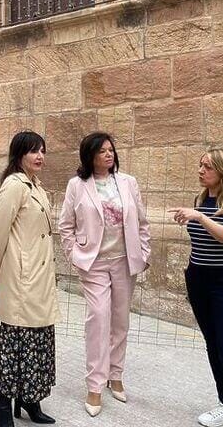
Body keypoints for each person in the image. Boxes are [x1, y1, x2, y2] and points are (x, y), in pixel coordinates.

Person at [58, 132, 151, 417]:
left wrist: (144, 252)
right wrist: (74, 255)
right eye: (102, 151)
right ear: (90, 156)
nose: (108, 155)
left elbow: (142, 221)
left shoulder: (128, 182)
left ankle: (116, 375)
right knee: (99, 319)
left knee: (120, 321)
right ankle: (95, 386)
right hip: (94, 262)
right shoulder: (77, 185)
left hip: (125, 261)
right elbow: (65, 225)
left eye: (111, 150)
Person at [168, 149, 223, 427]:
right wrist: (194, 215)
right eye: (200, 165)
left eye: (207, 167)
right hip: (199, 279)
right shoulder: (201, 199)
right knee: (213, 345)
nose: (200, 171)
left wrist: (200, 217)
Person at [0, 131, 59, 427]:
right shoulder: (14, 185)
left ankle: (30, 399)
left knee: (39, 340)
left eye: (42, 150)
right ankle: (1, 407)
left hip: (39, 277)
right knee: (16, 343)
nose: (39, 156)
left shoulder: (36, 186)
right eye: (33, 151)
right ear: (19, 155)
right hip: (22, 277)